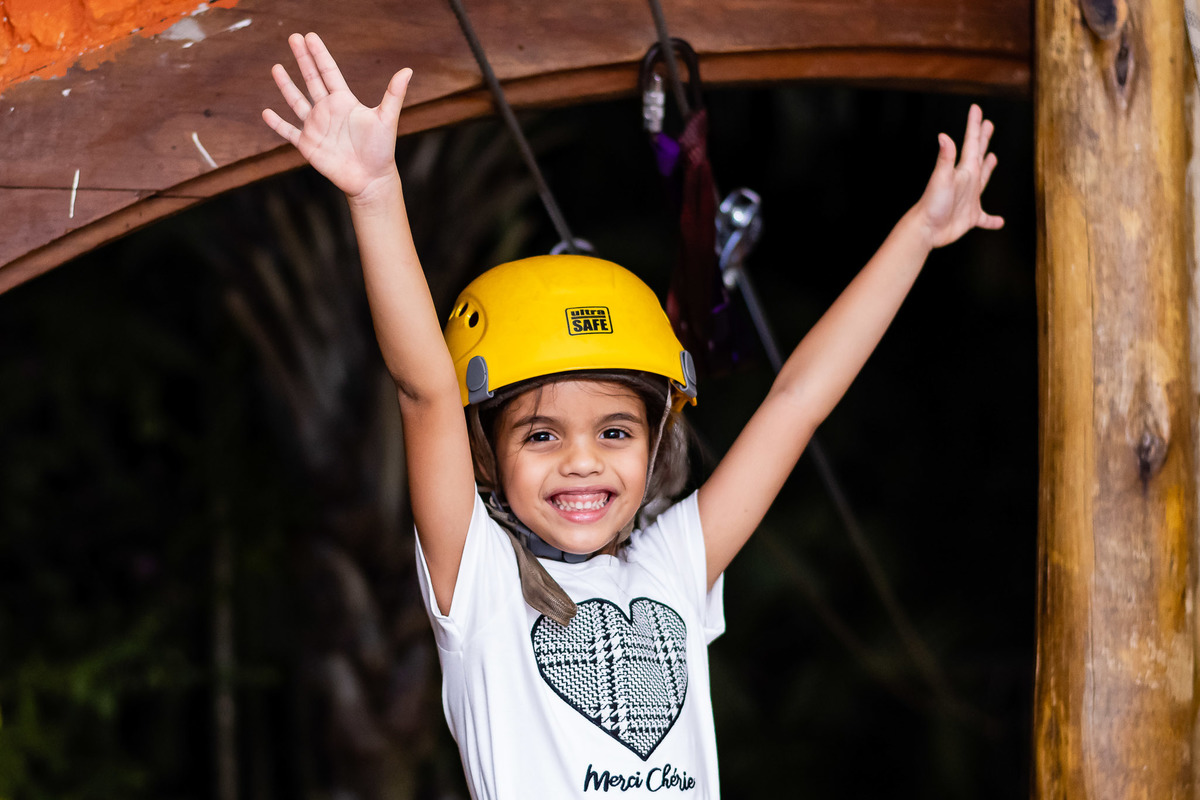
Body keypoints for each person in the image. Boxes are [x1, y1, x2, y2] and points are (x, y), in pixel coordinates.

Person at [262, 31, 1003, 799]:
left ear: (655, 445)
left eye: (614, 431)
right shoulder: (481, 583)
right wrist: (375, 192)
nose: (582, 460)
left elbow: (796, 401)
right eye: (542, 434)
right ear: (487, 456)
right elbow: (425, 389)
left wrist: (918, 233)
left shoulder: (671, 567)